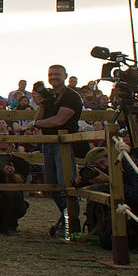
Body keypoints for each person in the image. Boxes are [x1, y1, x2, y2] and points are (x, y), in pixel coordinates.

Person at [32, 63, 84, 238]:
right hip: (49, 143)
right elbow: (39, 118)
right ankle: (65, 218)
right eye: (51, 74)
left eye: (57, 74)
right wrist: (41, 105)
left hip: (65, 143)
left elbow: (59, 120)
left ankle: (72, 223)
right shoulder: (50, 97)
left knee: (65, 183)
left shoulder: (71, 96)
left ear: (65, 76)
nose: (53, 77)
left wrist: (36, 124)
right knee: (52, 185)